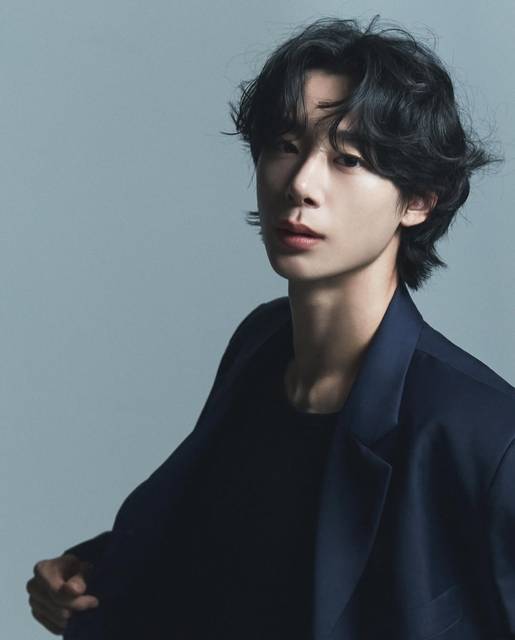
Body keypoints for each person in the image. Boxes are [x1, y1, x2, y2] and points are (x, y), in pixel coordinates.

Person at [26, 15, 515, 639]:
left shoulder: (484, 435)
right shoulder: (261, 344)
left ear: (419, 199)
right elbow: (216, 538)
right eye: (286, 144)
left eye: (348, 159)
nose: (302, 184)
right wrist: (92, 574)